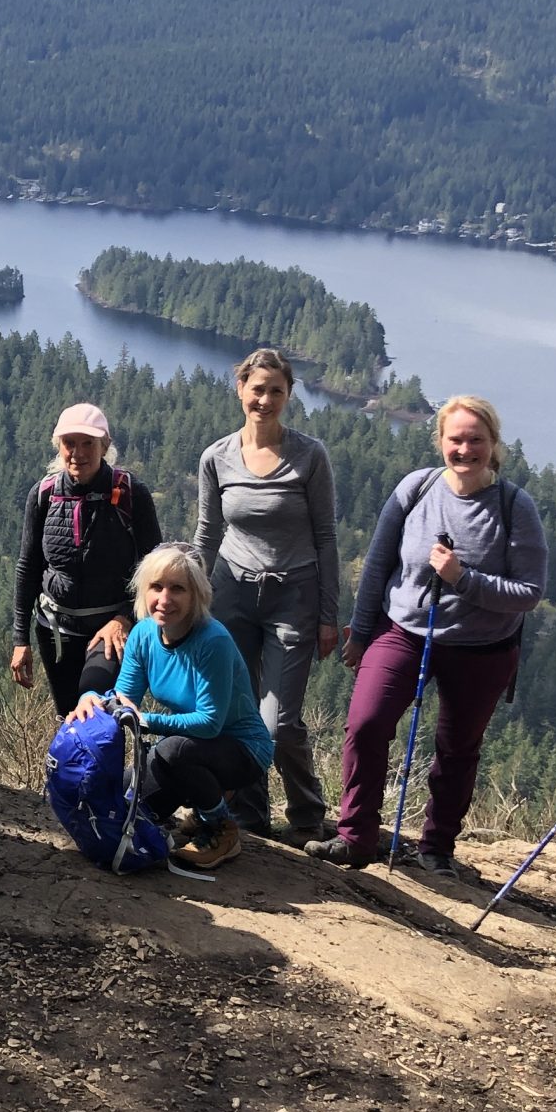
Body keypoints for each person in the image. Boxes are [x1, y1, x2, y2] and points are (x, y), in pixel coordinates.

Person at [315, 395, 548, 872]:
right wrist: (361, 633)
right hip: (404, 632)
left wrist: (463, 579)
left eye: (476, 440)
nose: (465, 449)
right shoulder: (416, 489)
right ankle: (356, 836)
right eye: (455, 439)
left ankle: (436, 848)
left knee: (457, 749)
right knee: (366, 723)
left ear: (493, 445)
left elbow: (528, 592)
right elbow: (379, 565)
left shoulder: (513, 506)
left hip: (483, 649)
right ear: (440, 441)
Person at [196, 349, 339, 841]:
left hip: (293, 598)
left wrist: (327, 615)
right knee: (238, 710)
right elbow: (207, 534)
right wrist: (193, 603)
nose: (265, 399)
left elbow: (326, 539)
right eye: (256, 389)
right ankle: (251, 816)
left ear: (288, 394)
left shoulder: (309, 455)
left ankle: (306, 815)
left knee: (279, 722)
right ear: (240, 390)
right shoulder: (216, 457)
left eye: (275, 390)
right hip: (232, 594)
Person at [75, 541, 273, 872]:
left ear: (196, 595)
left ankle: (221, 829)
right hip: (186, 748)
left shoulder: (213, 641)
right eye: (156, 587)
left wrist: (146, 721)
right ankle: (197, 808)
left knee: (173, 751)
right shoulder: (143, 635)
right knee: (123, 801)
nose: (164, 600)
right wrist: (92, 699)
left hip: (241, 750)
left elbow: (210, 723)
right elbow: (126, 698)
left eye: (178, 589)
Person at [9, 403, 163, 716]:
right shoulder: (43, 496)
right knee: (68, 715)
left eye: (88, 443)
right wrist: (20, 638)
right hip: (55, 631)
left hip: (111, 632)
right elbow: (28, 567)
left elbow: (156, 572)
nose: (77, 453)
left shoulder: (131, 494)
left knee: (98, 712)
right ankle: (72, 767)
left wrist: (125, 618)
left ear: (105, 446)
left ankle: (110, 766)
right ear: (59, 447)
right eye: (69, 443)